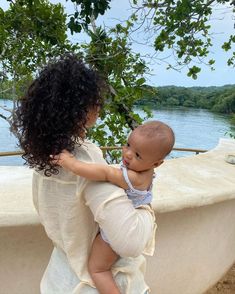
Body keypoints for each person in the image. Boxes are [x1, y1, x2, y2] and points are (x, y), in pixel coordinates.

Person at [13, 54, 157, 294]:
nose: (99, 107)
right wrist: (146, 209)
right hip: (93, 283)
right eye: (95, 101)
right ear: (81, 109)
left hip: (59, 277)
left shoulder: (45, 156)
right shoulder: (84, 157)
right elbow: (130, 241)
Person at [52, 121, 175, 294]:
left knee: (98, 269)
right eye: (128, 145)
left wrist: (70, 163)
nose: (128, 154)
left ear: (156, 164)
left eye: (138, 155)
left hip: (117, 233)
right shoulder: (145, 172)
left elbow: (105, 173)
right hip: (130, 222)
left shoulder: (134, 177)